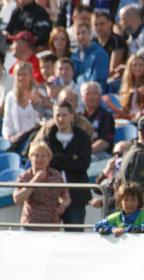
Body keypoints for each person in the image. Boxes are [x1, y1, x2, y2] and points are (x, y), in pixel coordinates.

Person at [42, 101, 92, 230]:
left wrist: (58, 158)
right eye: (57, 115)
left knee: (75, 233)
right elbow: (46, 164)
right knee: (48, 235)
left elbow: (83, 164)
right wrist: (71, 157)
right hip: (50, 196)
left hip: (76, 197)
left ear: (71, 116)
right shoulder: (47, 138)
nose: (61, 119)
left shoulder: (82, 137)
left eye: (64, 115)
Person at [13, 140, 69, 230]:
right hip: (30, 225)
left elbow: (66, 197)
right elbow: (17, 199)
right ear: (30, 158)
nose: (39, 159)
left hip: (52, 225)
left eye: (43, 156)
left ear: (49, 158)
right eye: (36, 156)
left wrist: (63, 205)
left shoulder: (56, 175)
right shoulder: (25, 176)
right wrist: (35, 180)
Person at [2, 61, 41, 154]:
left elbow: (41, 119)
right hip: (15, 139)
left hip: (34, 139)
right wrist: (8, 136)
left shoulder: (38, 93)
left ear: (30, 76)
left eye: (24, 75)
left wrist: (36, 102)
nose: (21, 78)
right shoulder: (10, 96)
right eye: (18, 75)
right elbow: (7, 121)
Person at [80, 81, 115, 157]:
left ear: (100, 96)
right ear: (82, 97)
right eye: (87, 93)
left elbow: (105, 142)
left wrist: (85, 153)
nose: (91, 97)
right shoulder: (78, 116)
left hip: (100, 153)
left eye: (94, 93)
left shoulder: (106, 116)